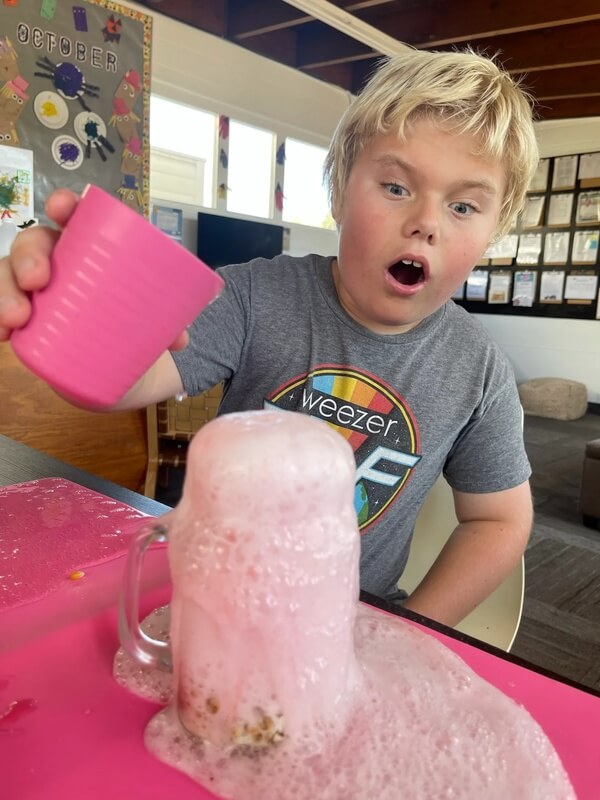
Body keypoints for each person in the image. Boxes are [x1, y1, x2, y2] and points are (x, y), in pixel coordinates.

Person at [0, 48, 538, 627]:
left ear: (493, 231)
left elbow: (500, 520)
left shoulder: (479, 369)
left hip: (348, 623)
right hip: (213, 595)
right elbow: (118, 381)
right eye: (396, 187)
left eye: (463, 205)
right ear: (338, 191)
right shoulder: (255, 295)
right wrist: (62, 308)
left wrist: (406, 631)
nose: (426, 223)